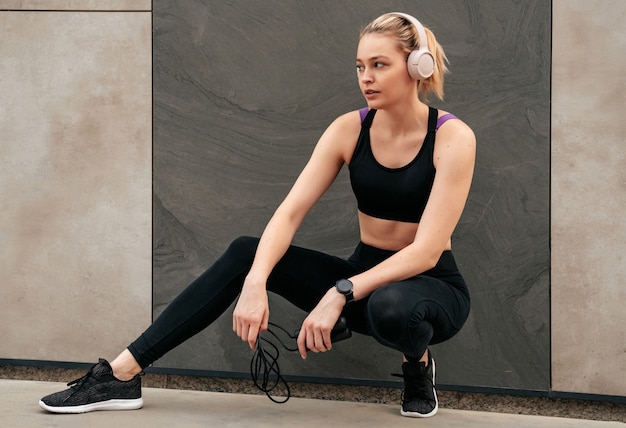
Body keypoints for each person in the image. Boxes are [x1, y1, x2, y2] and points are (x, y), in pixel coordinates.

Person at [39, 11, 475, 418]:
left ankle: (417, 366)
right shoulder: (349, 128)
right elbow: (289, 214)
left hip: (431, 285)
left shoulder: (452, 138)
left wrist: (340, 291)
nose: (366, 77)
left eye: (379, 64)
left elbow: (426, 250)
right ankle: (120, 374)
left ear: (417, 66)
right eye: (360, 66)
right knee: (248, 251)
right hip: (362, 277)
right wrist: (255, 280)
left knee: (392, 306)